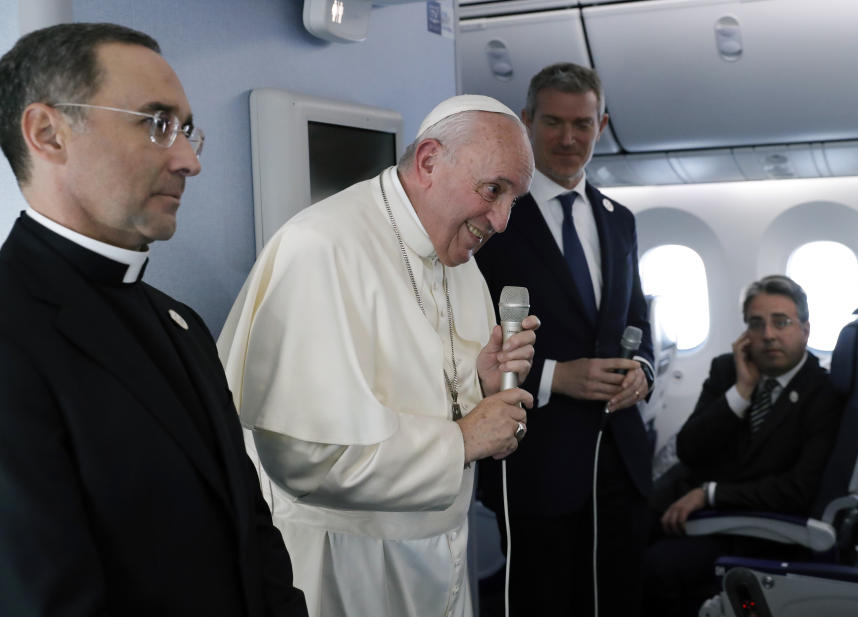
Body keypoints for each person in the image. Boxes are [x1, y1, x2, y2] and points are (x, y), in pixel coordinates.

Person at [0, 23, 306, 616]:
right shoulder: (11, 331)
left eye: (187, 130)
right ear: (47, 133)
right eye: (156, 123)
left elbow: (252, 534)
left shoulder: (179, 323)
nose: (189, 160)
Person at [217, 94, 539, 617]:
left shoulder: (461, 260)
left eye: (514, 199)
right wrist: (461, 440)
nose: (503, 220)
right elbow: (305, 456)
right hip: (344, 562)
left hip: (437, 555)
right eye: (493, 189)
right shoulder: (321, 247)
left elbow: (432, 395)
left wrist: (479, 387)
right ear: (430, 160)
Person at [474, 62, 655, 616]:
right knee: (545, 599)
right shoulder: (495, 215)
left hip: (618, 458)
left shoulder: (618, 219)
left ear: (602, 125)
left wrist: (643, 369)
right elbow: (468, 332)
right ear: (527, 121)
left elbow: (637, 317)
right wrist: (556, 374)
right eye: (553, 122)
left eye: (583, 123)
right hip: (538, 457)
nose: (569, 138)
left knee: (617, 596)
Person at [643, 274, 843, 616]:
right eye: (756, 323)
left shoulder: (823, 394)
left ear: (805, 330)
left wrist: (711, 494)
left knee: (654, 568)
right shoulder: (727, 370)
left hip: (751, 526)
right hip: (688, 497)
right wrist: (741, 393)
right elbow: (689, 448)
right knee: (616, 537)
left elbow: (796, 490)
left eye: (781, 322)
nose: (768, 335)